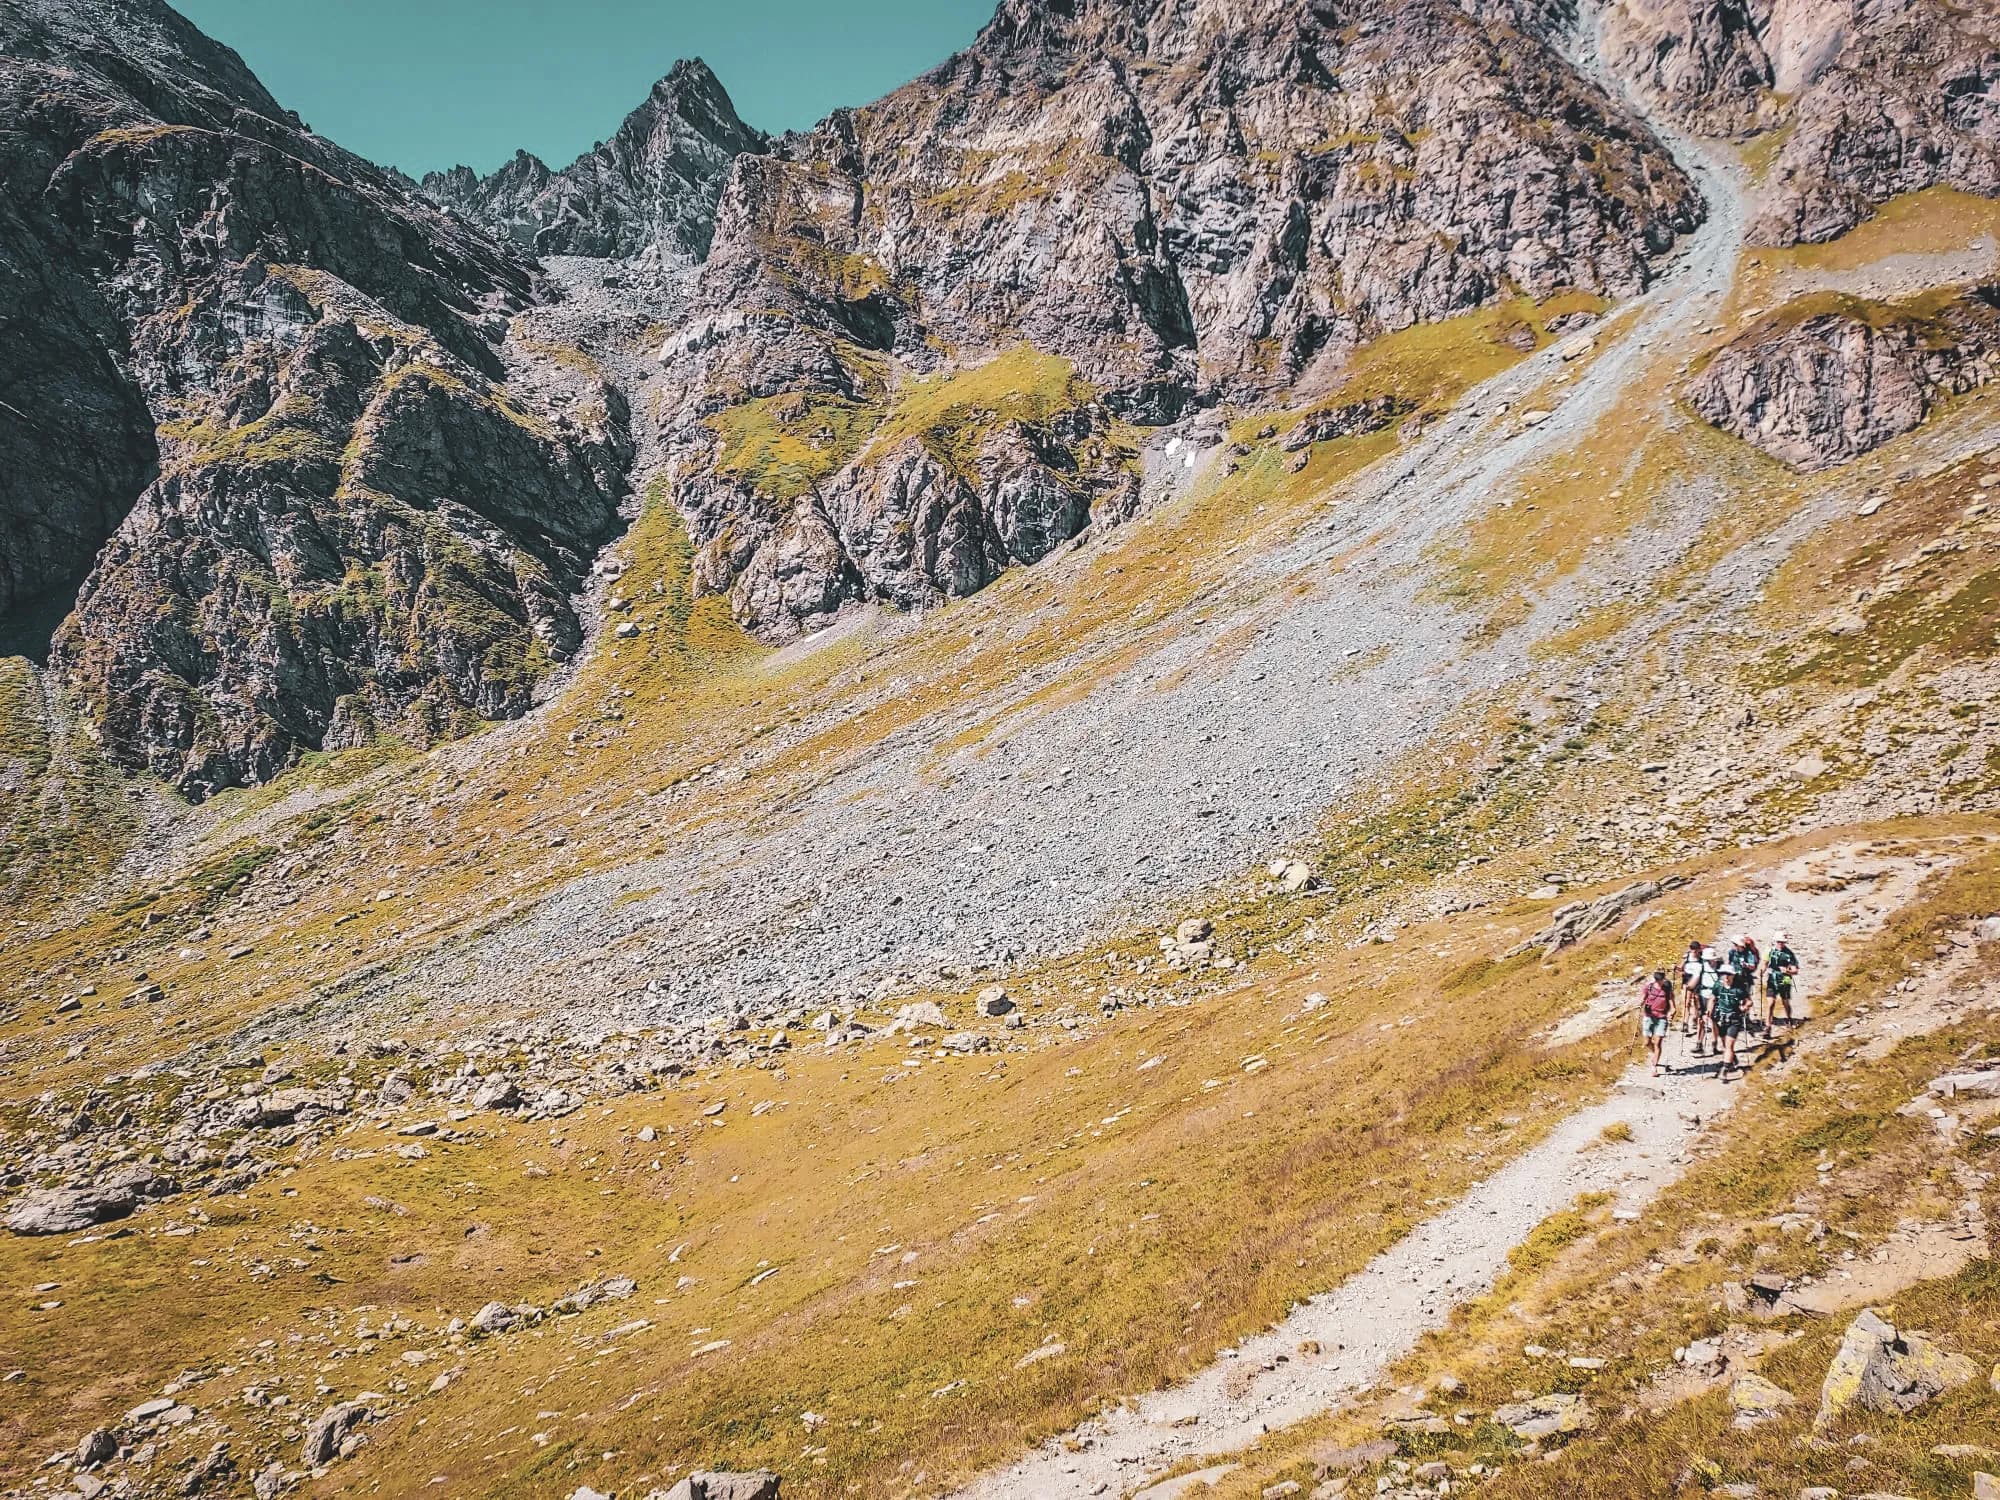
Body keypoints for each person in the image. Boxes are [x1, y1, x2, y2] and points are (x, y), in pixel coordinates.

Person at [1713, 963, 1748, 1078]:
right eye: (1724, 974)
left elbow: (1748, 1001)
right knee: (1724, 1043)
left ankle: (1725, 1069)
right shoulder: (1718, 985)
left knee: (1728, 1046)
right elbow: (1712, 998)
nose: (1726, 977)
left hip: (1734, 1020)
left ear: (1733, 975)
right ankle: (1733, 1059)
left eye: (1728, 975)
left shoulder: (1739, 989)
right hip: (1721, 1018)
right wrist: (1708, 1012)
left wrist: (1744, 1007)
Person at [1639, 968, 1673, 1077]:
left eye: (1660, 979)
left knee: (1658, 1042)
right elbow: (1643, 999)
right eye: (1657, 979)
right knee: (1646, 1042)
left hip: (1661, 1017)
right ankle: (1656, 1054)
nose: (1659, 981)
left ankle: (1654, 1067)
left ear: (1664, 978)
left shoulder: (1667, 989)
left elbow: (1672, 1005)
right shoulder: (1648, 987)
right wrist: (1641, 1003)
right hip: (1649, 1016)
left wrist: (1672, 1012)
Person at [1764, 931, 1800, 1031]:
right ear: (1775, 941)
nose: (1781, 944)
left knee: (1785, 1002)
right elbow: (1765, 963)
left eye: (1783, 942)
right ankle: (1767, 1026)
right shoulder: (1769, 951)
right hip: (1772, 980)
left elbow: (1795, 970)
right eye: (1779, 941)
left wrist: (1788, 971)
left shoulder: (1789, 954)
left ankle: (1789, 1019)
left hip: (1785, 980)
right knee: (1770, 1003)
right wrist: (1761, 972)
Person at [1678, 939, 1705, 1035]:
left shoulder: (1701, 958)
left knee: (1697, 1002)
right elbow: (1680, 968)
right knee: (1686, 1002)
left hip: (1698, 982)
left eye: (1695, 949)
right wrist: (1680, 971)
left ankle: (1695, 1019)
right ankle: (1685, 1023)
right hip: (1687, 980)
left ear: (1698, 949)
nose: (1693, 951)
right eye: (1692, 948)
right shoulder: (1687, 958)